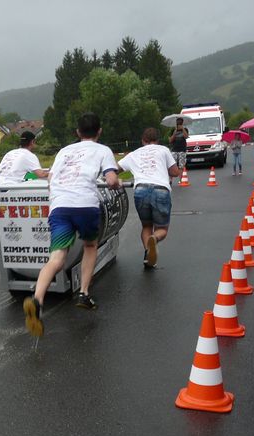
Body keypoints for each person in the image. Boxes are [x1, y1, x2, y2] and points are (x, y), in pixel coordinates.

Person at [22, 113, 121, 337]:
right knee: (90, 245)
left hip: (59, 206)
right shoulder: (103, 150)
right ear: (99, 131)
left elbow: (51, 179)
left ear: (78, 132)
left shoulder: (64, 151)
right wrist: (116, 183)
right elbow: (111, 179)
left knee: (56, 258)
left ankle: (37, 300)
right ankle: (84, 293)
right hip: (85, 205)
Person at [117, 127, 180, 268]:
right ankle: (154, 238)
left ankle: (148, 254)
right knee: (162, 229)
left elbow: (115, 170)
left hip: (141, 190)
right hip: (160, 190)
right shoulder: (163, 150)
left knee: (146, 226)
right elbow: (175, 172)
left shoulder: (134, 154)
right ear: (157, 140)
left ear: (142, 140)